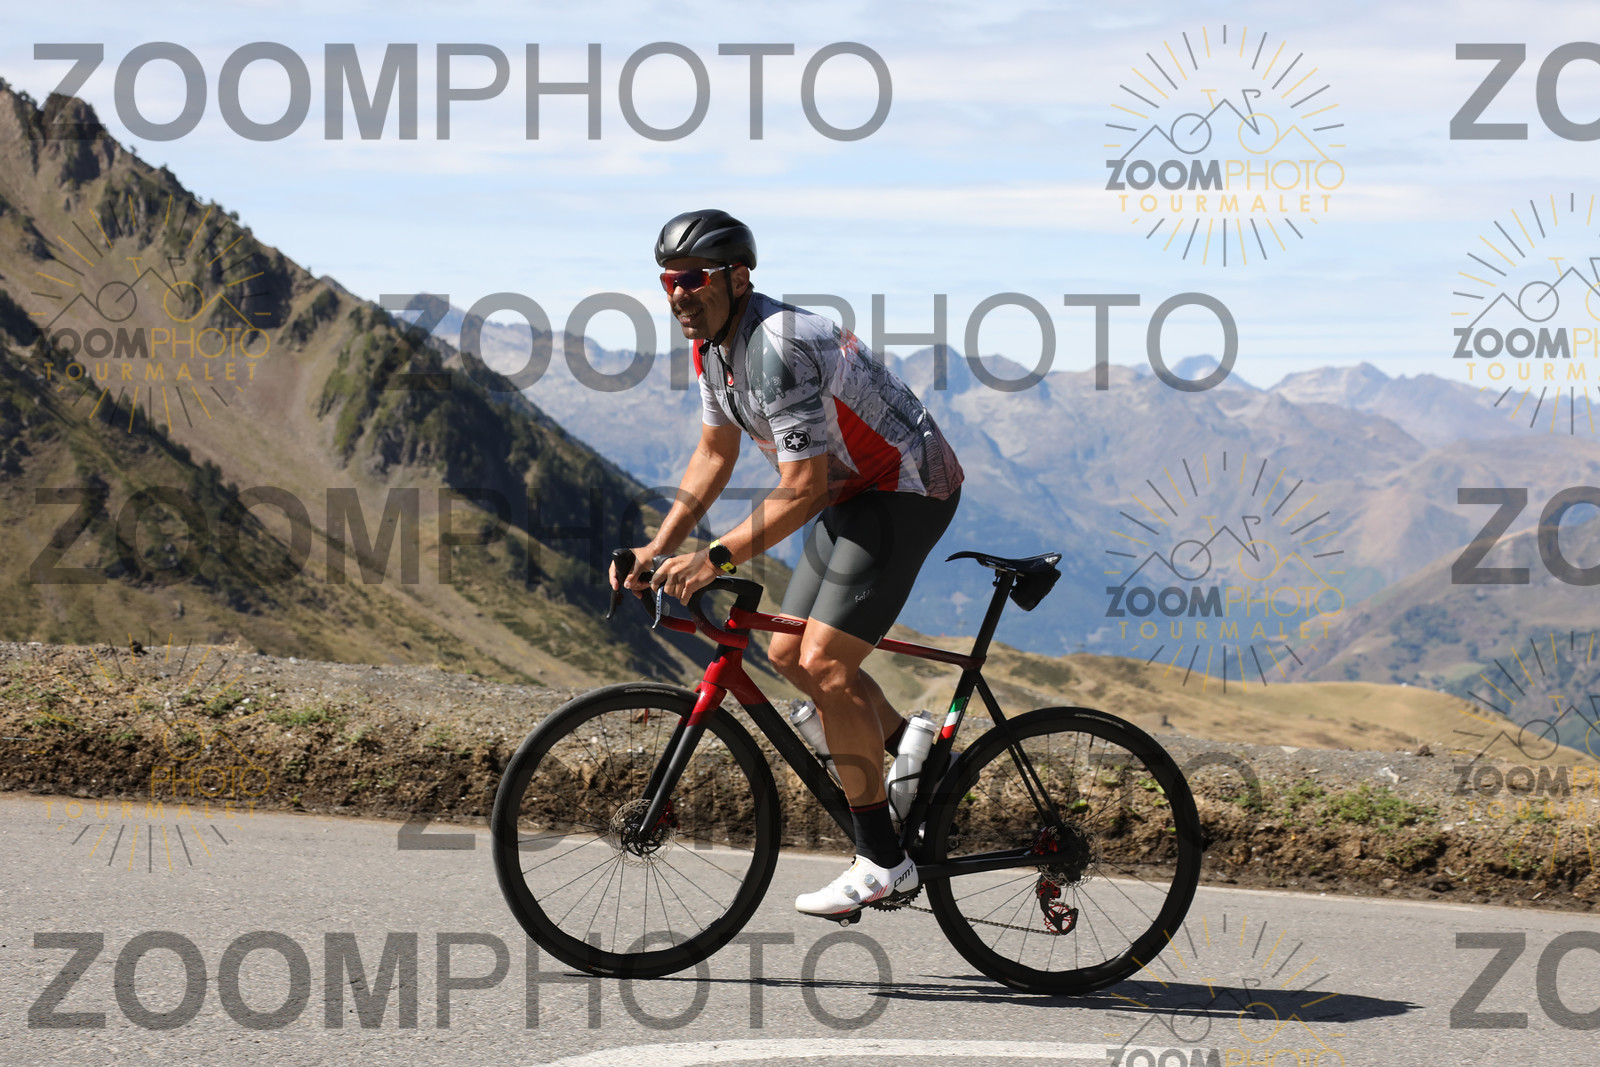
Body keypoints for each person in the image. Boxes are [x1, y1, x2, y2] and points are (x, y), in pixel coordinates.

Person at [611, 208, 964, 919]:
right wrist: (659, 545)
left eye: (693, 279)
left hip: (907, 486)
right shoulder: (714, 348)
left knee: (827, 664)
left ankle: (882, 861)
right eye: (668, 280)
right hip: (850, 492)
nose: (678, 294)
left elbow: (802, 488)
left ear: (738, 278)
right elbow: (714, 454)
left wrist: (714, 558)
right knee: (787, 653)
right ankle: (917, 753)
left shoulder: (777, 347)